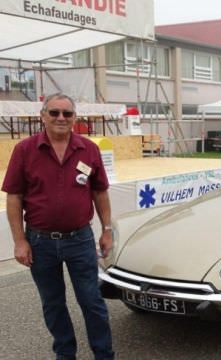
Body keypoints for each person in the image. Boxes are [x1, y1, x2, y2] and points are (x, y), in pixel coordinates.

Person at [2, 93, 115, 359]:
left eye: (67, 113)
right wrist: (19, 240)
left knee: (91, 301)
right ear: (43, 116)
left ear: (75, 117)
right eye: (54, 113)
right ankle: (65, 354)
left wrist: (107, 229)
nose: (61, 118)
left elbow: (100, 192)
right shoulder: (25, 150)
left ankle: (104, 354)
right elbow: (14, 197)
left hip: (80, 240)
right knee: (53, 304)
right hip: (40, 242)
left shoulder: (89, 149)